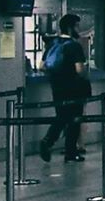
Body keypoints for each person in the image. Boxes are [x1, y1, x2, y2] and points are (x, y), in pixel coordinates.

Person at [38, 14, 90, 162]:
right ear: (70, 27)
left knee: (61, 116)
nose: (78, 29)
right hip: (74, 88)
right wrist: (84, 72)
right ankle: (70, 151)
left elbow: (41, 66)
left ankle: (49, 140)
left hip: (57, 87)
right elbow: (79, 70)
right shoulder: (74, 46)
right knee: (74, 119)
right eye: (77, 26)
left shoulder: (52, 43)